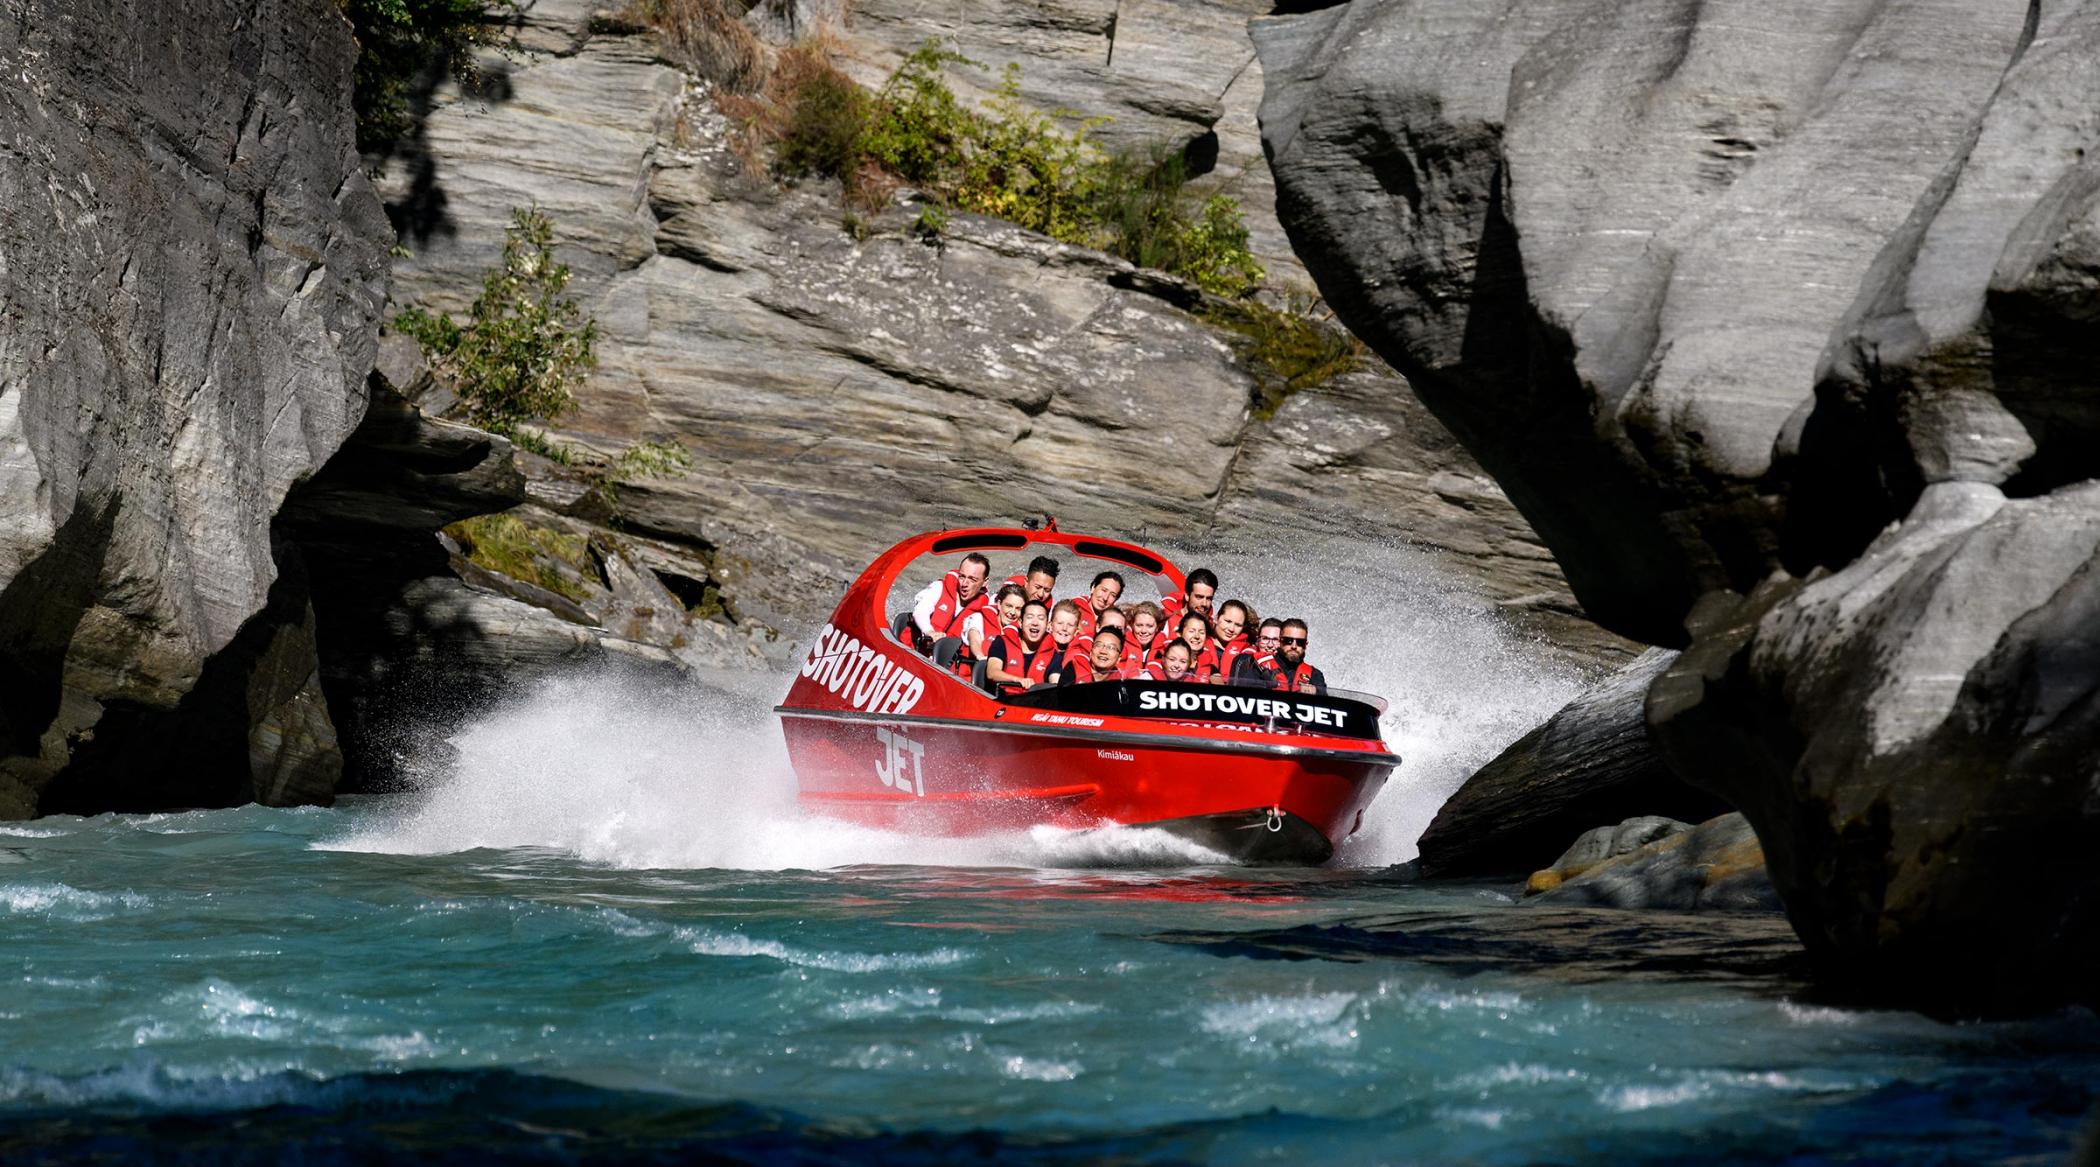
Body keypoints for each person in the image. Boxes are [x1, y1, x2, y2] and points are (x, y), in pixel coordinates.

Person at [909, 552, 992, 649]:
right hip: (914, 650)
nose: (964, 584)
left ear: (985, 582)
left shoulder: (986, 609)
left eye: (972, 579)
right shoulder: (939, 588)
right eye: (962, 576)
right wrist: (929, 632)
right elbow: (920, 611)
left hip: (945, 662)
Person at [986, 600, 1054, 693]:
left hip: (1035, 703)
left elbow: (1055, 681)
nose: (1035, 623)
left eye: (1041, 618)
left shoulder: (1053, 652)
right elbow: (992, 672)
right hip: (1002, 700)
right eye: (1030, 617)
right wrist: (1018, 679)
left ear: (1047, 625)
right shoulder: (1002, 642)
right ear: (1021, 623)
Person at [958, 584, 1026, 676]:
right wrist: (980, 656)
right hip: (967, 678)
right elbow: (974, 640)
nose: (1013, 612)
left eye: (1018, 609)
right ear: (999, 604)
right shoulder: (978, 618)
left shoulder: (1022, 633)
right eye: (1009, 606)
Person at [1270, 618, 1327, 694]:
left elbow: (1323, 702)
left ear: (1306, 645)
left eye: (1300, 642)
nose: (1294, 646)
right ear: (1280, 641)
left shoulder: (1315, 675)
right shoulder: (1259, 666)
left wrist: (1316, 692)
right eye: (1288, 641)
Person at [1159, 567, 1217, 634]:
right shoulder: (1164, 621)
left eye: (1209, 598)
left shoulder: (1215, 627)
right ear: (1187, 596)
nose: (1204, 603)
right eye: (1199, 597)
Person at [1232, 618, 1283, 687]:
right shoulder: (1243, 661)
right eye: (1265, 638)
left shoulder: (1289, 666)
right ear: (1258, 641)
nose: (1270, 645)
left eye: (1275, 639)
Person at [1212, 600, 1254, 679]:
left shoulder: (1246, 653)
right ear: (1217, 618)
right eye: (1228, 621)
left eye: (1238, 625)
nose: (1231, 629)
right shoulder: (1198, 644)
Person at [1075, 571, 1124, 637]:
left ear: (1116, 599)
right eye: (1103, 590)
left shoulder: (1117, 620)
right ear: (1093, 587)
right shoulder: (1074, 607)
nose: (1105, 598)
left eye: (1112, 595)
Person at [1174, 611, 1220, 681]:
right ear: (1179, 634)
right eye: (1191, 631)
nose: (1197, 636)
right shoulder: (1168, 663)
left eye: (1202, 632)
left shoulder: (1211, 669)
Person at [1123, 601, 1165, 669]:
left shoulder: (1165, 650)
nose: (1143, 631)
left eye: (1149, 626)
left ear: (1157, 627)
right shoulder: (1121, 646)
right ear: (1132, 625)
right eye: (1139, 625)